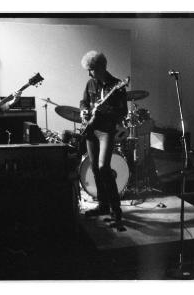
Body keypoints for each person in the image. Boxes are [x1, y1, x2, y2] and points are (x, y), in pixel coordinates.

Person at [79, 50, 128, 226]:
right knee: (95, 168)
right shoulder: (90, 83)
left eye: (91, 69)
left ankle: (116, 211)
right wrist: (84, 110)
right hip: (91, 130)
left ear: (100, 67)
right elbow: (83, 102)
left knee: (104, 167)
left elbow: (123, 112)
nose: (89, 73)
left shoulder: (117, 85)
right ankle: (103, 205)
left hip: (106, 131)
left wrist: (104, 110)